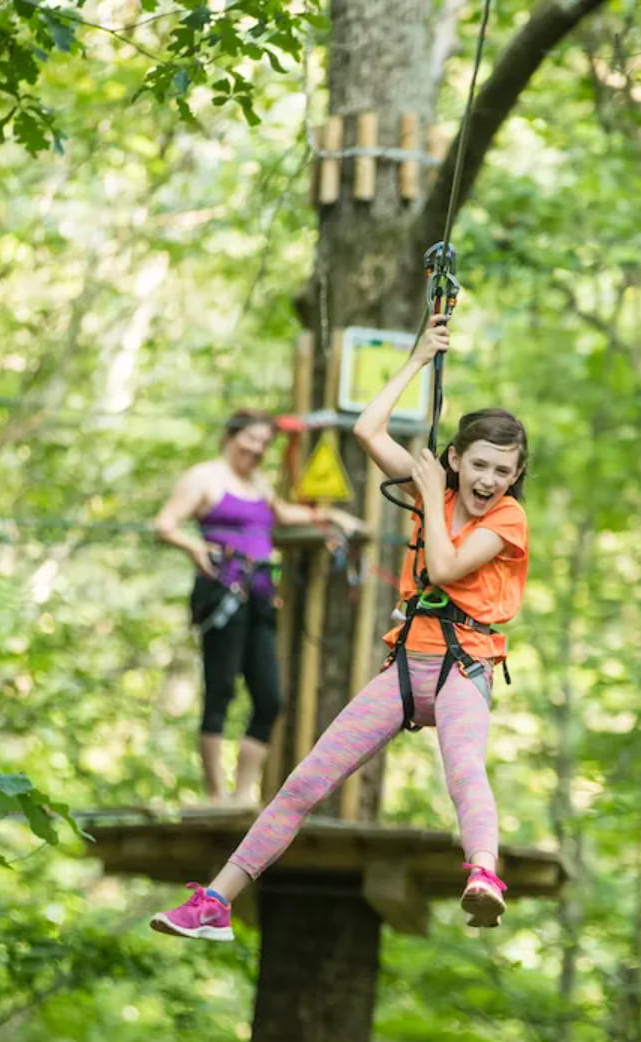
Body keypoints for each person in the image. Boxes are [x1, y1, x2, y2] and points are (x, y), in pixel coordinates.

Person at [151, 315, 529, 937]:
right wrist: (415, 359)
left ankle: (484, 875)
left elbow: (444, 565)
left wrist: (433, 495)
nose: (489, 481)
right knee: (303, 783)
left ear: (515, 477)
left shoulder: (507, 520)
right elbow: (365, 429)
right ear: (456, 458)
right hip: (408, 666)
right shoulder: (435, 484)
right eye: (480, 465)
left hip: (465, 665)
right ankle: (216, 901)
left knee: (464, 771)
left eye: (503, 471)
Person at [155, 409, 362, 808]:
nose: (257, 449)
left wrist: (329, 517)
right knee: (221, 690)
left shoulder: (258, 483)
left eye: (264, 443)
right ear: (231, 436)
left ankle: (243, 794)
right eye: (250, 439)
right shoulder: (204, 478)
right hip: (223, 594)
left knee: (269, 698)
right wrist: (195, 547)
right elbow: (164, 525)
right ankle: (217, 796)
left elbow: (283, 514)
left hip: (262, 596)